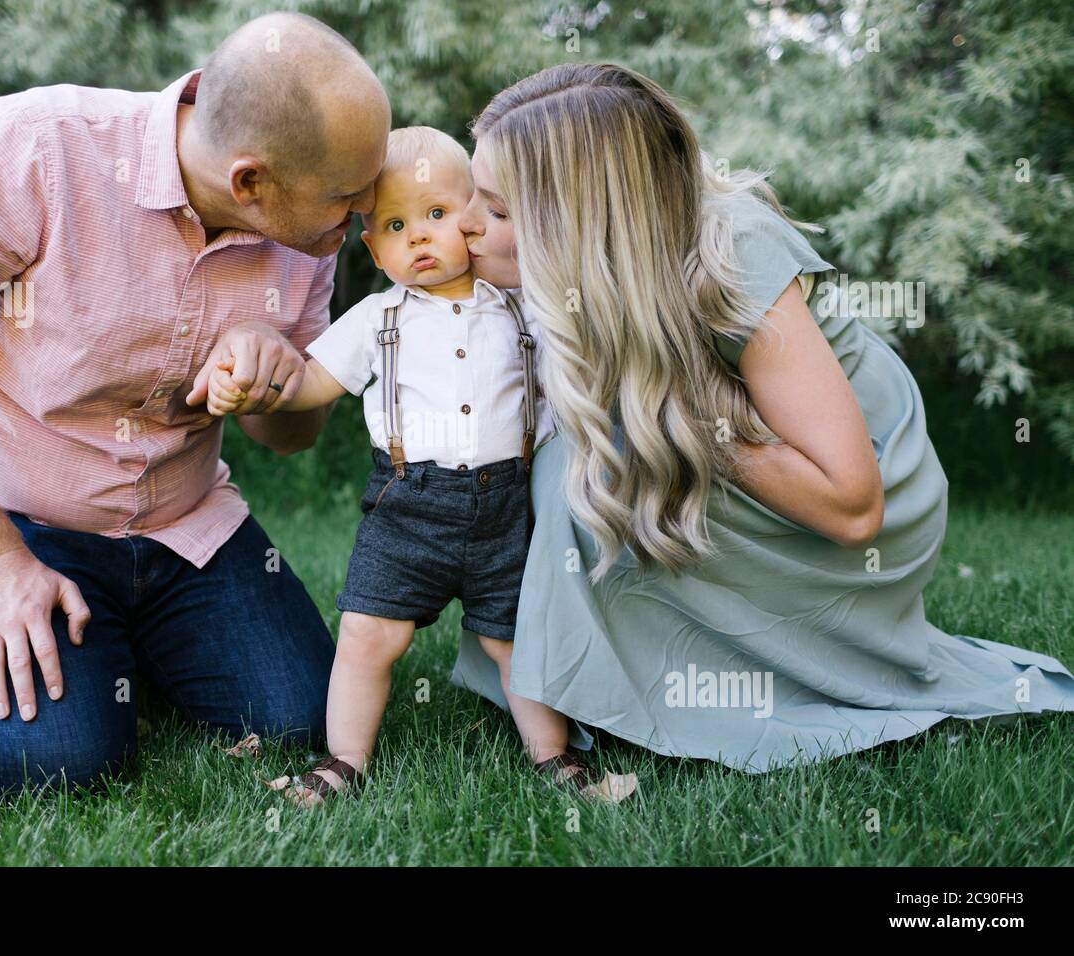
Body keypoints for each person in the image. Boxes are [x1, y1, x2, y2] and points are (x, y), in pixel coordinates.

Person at [0, 12, 391, 795]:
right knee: (56, 765)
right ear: (251, 180)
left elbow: (287, 437)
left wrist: (273, 376)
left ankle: (116, 651)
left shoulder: (307, 233)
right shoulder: (33, 149)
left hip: (184, 527)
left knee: (306, 719)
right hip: (16, 520)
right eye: (347, 201)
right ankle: (23, 635)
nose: (359, 223)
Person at [449, 62, 1074, 774]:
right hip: (769, 463)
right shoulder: (596, 279)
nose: (467, 223)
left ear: (585, 221)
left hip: (859, 497)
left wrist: (674, 406)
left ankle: (663, 681)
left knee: (585, 461)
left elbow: (852, 508)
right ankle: (594, 676)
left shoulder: (734, 254)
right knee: (582, 450)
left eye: (498, 210)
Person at [208, 127, 636, 803]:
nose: (419, 237)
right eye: (395, 225)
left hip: (505, 507)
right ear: (374, 249)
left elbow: (577, 380)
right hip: (406, 510)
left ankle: (555, 757)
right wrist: (256, 388)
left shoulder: (522, 310)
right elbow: (310, 382)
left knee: (515, 640)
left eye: (436, 215)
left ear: (472, 217)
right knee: (367, 636)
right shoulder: (378, 319)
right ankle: (344, 760)